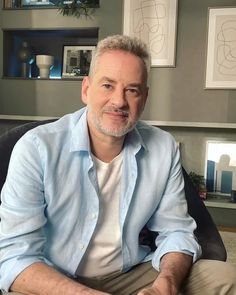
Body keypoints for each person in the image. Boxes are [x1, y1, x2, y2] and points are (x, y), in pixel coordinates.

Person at [0, 34, 235, 295]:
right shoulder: (36, 148)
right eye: (107, 86)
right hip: (53, 276)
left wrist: (165, 284)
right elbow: (13, 257)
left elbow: (177, 231)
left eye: (132, 90)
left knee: (224, 278)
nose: (119, 101)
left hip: (130, 274)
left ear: (144, 98)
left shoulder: (163, 147)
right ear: (86, 89)